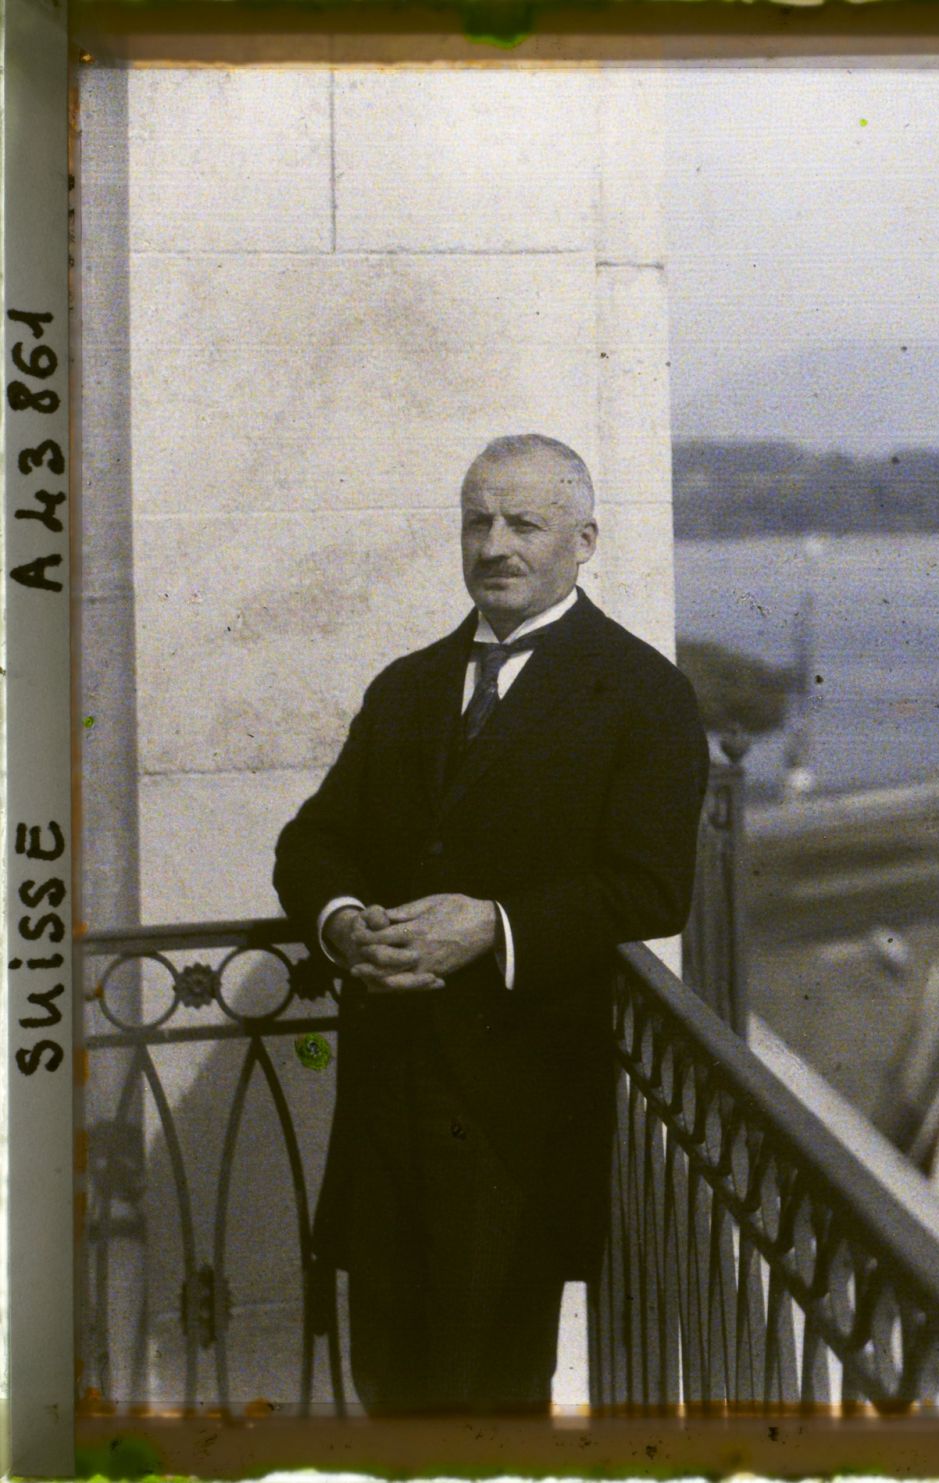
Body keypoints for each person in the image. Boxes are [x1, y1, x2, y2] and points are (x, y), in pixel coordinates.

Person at [273, 434, 710, 1414]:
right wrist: (344, 924)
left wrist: (494, 926)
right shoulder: (408, 686)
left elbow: (649, 889)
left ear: (585, 540)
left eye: (525, 522)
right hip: (385, 1111)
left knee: (490, 1403)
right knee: (385, 1386)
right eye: (478, 519)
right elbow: (312, 842)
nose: (495, 544)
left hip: (519, 1120)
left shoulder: (644, 695)